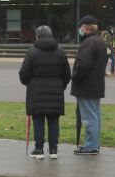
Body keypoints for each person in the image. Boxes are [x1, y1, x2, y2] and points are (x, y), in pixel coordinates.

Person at [19, 26, 71, 159]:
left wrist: (29, 84)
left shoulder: (32, 53)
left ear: (37, 36)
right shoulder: (60, 52)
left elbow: (23, 74)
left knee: (38, 121)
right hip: (56, 92)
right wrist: (60, 87)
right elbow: (67, 75)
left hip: (36, 92)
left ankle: (39, 149)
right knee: (54, 121)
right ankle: (53, 149)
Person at [71, 15, 107, 156]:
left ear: (85, 27)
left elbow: (83, 65)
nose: (79, 30)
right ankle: (94, 145)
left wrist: (74, 76)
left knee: (89, 117)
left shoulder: (88, 43)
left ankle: (90, 146)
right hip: (96, 85)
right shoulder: (99, 41)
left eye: (81, 27)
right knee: (95, 116)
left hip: (86, 87)